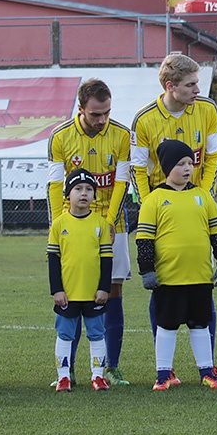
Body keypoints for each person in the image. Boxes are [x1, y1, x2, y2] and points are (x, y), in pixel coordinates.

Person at [131, 53, 217, 385]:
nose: (198, 89)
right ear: (171, 87)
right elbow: (138, 168)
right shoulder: (144, 120)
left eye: (197, 83)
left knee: (202, 285)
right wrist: (149, 204)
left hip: (196, 205)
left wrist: (205, 193)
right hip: (161, 211)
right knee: (163, 291)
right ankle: (164, 367)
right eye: (191, 84)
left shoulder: (208, 110)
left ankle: (207, 365)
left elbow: (213, 155)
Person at [47, 78, 132, 387]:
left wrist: (109, 222)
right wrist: (61, 225)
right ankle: (66, 374)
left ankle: (110, 368)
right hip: (72, 227)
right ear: (80, 109)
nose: (102, 120)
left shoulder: (121, 135)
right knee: (70, 293)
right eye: (96, 114)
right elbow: (56, 187)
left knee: (112, 290)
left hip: (112, 224)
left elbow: (122, 182)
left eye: (106, 112)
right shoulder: (60, 137)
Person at [136, 140, 217, 390]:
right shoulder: (154, 200)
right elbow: (144, 239)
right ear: (168, 168)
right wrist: (147, 270)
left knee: (200, 325)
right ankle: (163, 374)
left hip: (199, 276)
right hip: (168, 278)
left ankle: (207, 372)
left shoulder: (202, 196)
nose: (187, 168)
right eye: (181, 163)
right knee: (166, 326)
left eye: (190, 162)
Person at [47, 169, 112, 393]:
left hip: (94, 292)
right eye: (78, 189)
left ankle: (97, 376)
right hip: (68, 293)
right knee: (65, 334)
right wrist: (57, 290)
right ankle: (63, 377)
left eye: (89, 189)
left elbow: (106, 260)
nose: (83, 193)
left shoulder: (101, 225)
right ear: (68, 194)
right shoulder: (58, 225)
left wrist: (104, 288)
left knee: (96, 334)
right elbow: (53, 261)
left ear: (94, 195)